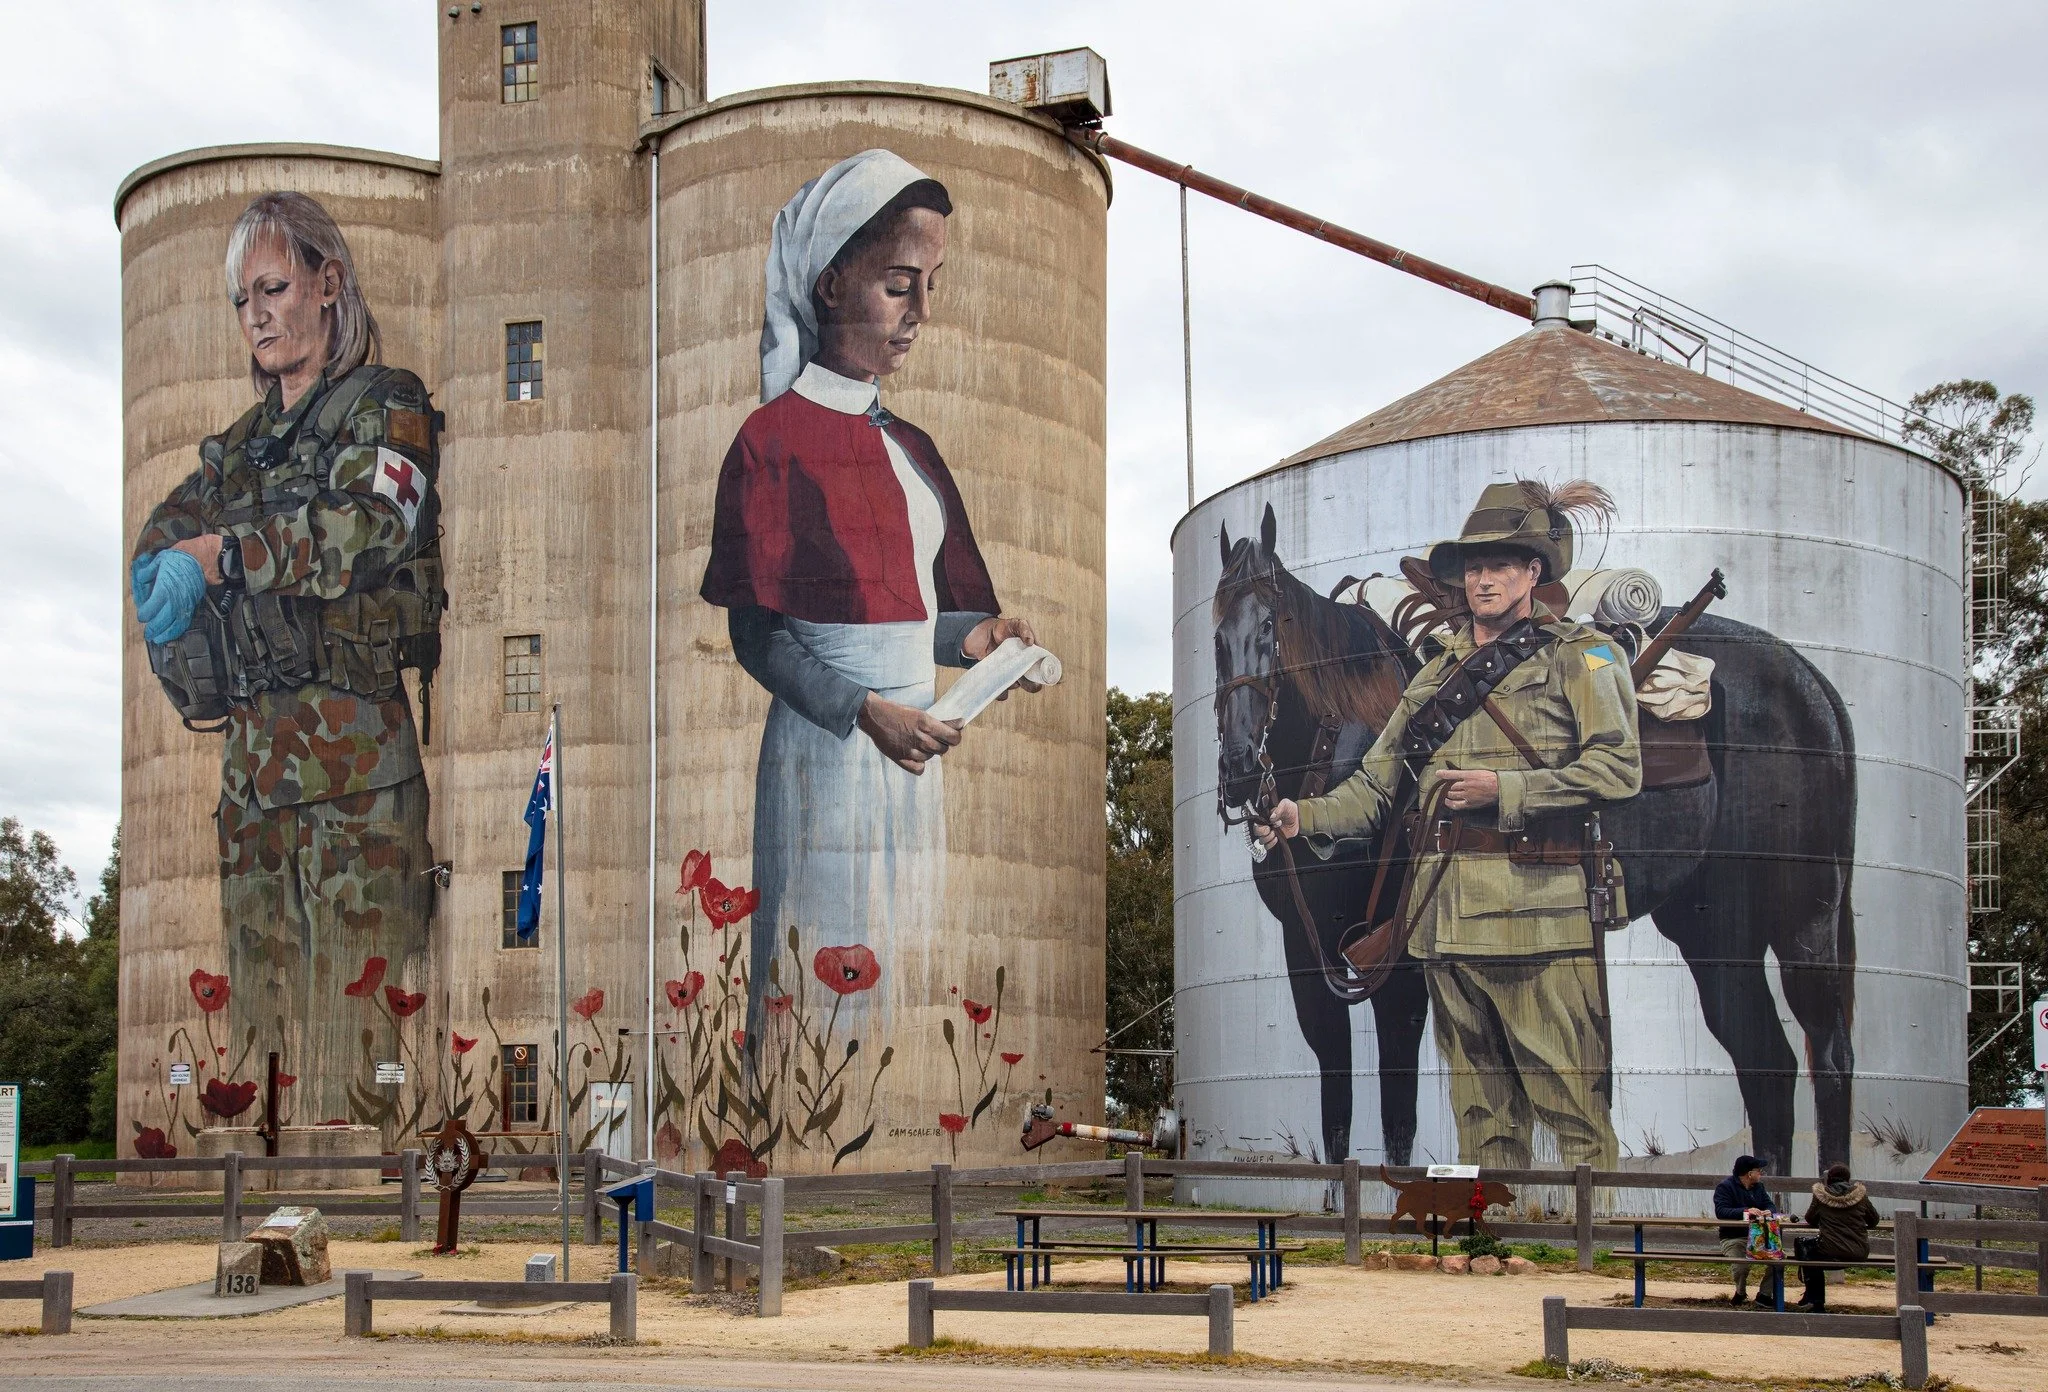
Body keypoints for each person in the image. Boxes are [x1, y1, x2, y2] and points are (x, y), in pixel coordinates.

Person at [699, 150, 1038, 1054]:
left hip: (915, 757)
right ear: (831, 283)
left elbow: (917, 618)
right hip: (827, 760)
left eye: (932, 285)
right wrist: (865, 713)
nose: (921, 314)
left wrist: (984, 639)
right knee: (816, 995)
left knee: (911, 984)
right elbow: (758, 637)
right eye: (899, 285)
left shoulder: (915, 448)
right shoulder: (771, 443)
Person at [131, 191, 441, 1139]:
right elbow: (160, 547)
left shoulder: (388, 409)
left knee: (363, 1015)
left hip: (355, 770)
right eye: (241, 300)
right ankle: (263, 1196)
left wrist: (226, 558)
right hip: (254, 775)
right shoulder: (232, 456)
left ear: (328, 284)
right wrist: (175, 600)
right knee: (263, 1016)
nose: (257, 314)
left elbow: (370, 528)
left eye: (272, 287)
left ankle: (374, 1203)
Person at [1254, 480, 1640, 1170]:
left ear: (1534, 572)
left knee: (1573, 1111)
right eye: (1473, 566)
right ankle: (1496, 1252)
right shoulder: (1434, 677)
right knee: (1482, 1118)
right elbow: (1375, 786)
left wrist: (1508, 789)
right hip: (1446, 923)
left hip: (1540, 921)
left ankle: (1594, 1255)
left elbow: (1618, 770)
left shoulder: (1583, 656)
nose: (1483, 579)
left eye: (1501, 564)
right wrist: (1299, 815)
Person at [1795, 1162, 1879, 1311]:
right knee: (1812, 1253)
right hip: (1858, 1252)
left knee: (1805, 1248)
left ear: (1829, 1178)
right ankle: (1811, 1298)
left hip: (1829, 1251)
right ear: (1848, 1178)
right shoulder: (1860, 1196)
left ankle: (1815, 1300)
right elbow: (1874, 1220)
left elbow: (1810, 1219)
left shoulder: (1821, 1196)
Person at [1713, 1154, 1782, 1306]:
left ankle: (1764, 1295)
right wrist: (1746, 1211)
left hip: (1759, 1237)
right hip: (1733, 1237)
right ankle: (1740, 1293)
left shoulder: (1759, 1187)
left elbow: (1770, 1205)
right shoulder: (1725, 1187)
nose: (1761, 1174)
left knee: (1778, 1261)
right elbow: (1721, 1211)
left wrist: (1768, 1212)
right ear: (1749, 1174)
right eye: (1758, 1170)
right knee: (1740, 1266)